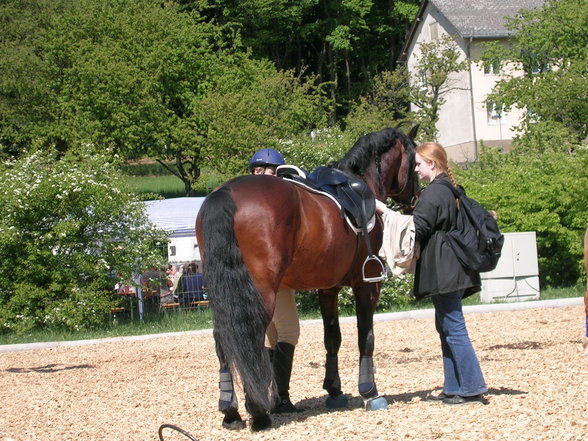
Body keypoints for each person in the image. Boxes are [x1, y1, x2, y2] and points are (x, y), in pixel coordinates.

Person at [376, 141, 487, 405]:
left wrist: (384, 211)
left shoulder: (436, 193)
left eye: (418, 164)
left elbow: (418, 227)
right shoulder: (451, 189)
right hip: (452, 266)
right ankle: (454, 387)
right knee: (446, 326)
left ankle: (472, 387)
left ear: (432, 164)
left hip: (445, 268)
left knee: (454, 327)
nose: (415, 170)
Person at [249, 147, 301, 414]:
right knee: (290, 332)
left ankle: (271, 394)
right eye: (260, 170)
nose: (262, 174)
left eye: (263, 170)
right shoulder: (274, 206)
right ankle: (281, 397)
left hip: (251, 282)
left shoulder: (246, 202)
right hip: (274, 281)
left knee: (271, 336)